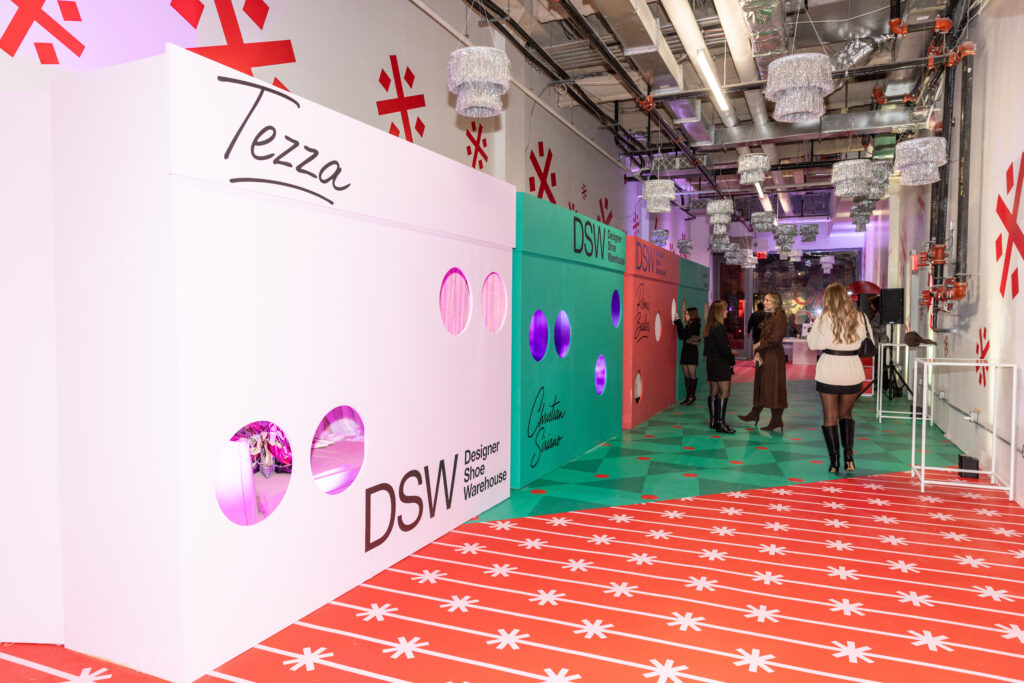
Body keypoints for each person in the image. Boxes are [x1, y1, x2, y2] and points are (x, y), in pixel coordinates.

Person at [807, 283, 875, 473]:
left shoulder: (823, 318)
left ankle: (834, 463)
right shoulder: (860, 316)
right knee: (847, 414)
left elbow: (812, 344)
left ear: (828, 299)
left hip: (829, 368)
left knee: (830, 417)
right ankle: (849, 459)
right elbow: (869, 341)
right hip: (852, 369)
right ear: (845, 297)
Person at [738, 292, 788, 431]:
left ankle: (776, 420)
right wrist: (758, 352)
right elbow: (764, 336)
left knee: (773, 387)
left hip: (773, 357)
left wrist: (759, 345)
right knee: (761, 384)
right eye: (764, 300)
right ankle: (755, 413)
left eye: (767, 300)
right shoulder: (769, 316)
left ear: (775, 302)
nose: (764, 302)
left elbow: (775, 338)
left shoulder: (780, 317)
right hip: (765, 354)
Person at [703, 300, 736, 434]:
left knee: (714, 390)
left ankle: (714, 421)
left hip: (711, 363)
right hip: (720, 363)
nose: (727, 311)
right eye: (725, 309)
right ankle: (721, 424)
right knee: (725, 391)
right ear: (719, 312)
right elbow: (723, 349)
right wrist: (731, 360)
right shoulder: (720, 328)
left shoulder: (710, 327)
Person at [673, 302, 702, 406]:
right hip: (686, 351)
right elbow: (681, 336)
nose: (685, 315)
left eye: (686, 313)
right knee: (686, 374)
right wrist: (678, 323)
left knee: (691, 374)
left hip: (692, 352)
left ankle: (691, 396)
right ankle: (688, 396)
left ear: (692, 315)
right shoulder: (688, 325)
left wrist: (678, 322)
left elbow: (685, 335)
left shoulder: (695, 325)